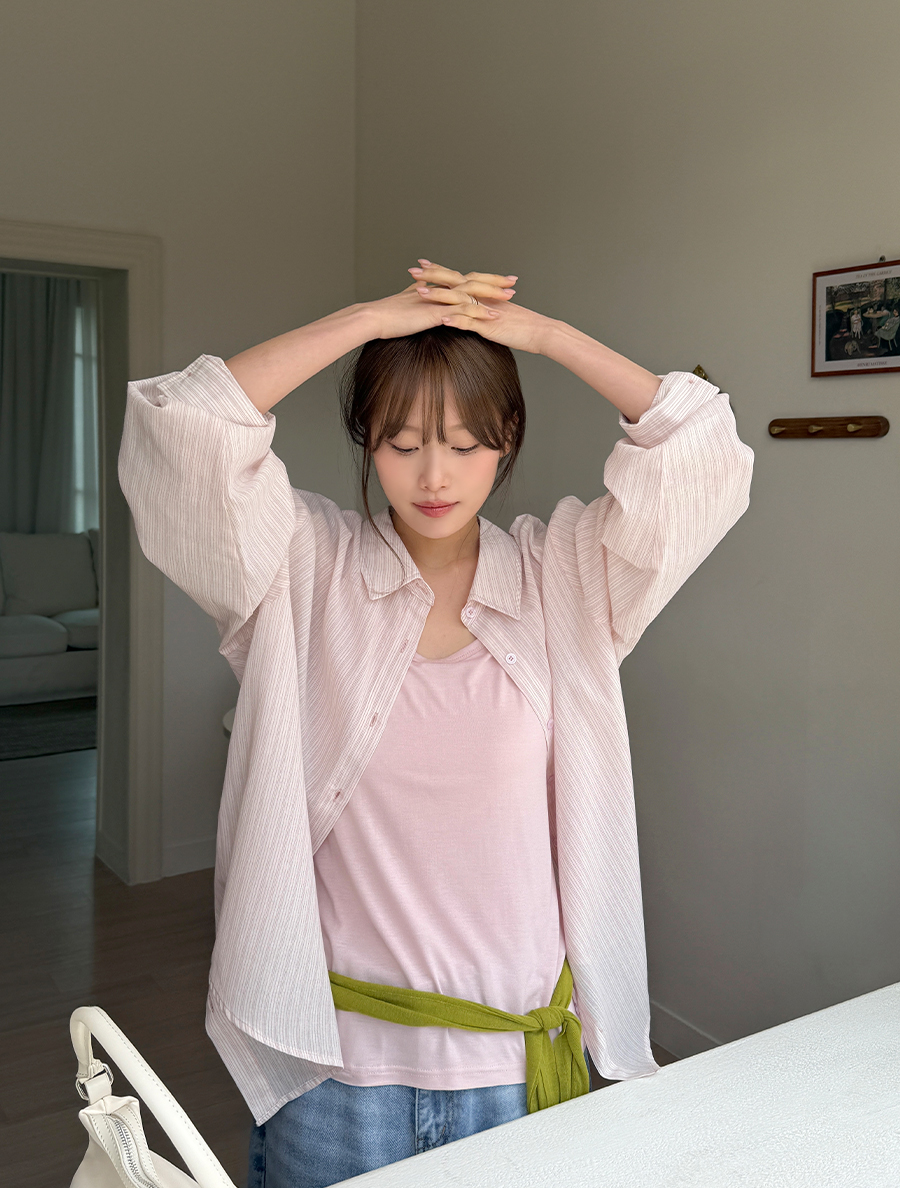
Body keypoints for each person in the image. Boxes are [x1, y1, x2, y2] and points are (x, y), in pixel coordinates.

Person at [118, 259, 754, 1187]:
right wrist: (367, 319)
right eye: (401, 442)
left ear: (507, 442)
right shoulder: (301, 569)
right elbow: (184, 427)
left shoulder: (566, 579)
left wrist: (544, 336)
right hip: (336, 1074)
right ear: (366, 442)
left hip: (518, 1067)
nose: (433, 475)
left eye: (464, 443)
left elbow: (699, 453)